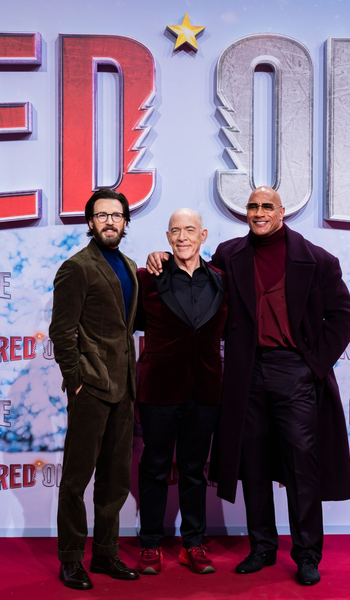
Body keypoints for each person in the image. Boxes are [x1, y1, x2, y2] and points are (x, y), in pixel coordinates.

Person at [147, 186, 350, 586]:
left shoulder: (318, 259)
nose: (259, 212)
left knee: (301, 466)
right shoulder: (230, 255)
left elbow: (343, 316)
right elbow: (195, 275)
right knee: (254, 463)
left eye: (267, 206)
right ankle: (262, 547)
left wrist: (312, 365)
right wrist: (162, 257)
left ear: (281, 212)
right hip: (247, 374)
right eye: (253, 206)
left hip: (295, 371)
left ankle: (307, 553)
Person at [49, 189, 141, 590]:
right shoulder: (77, 267)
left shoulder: (130, 266)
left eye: (116, 215)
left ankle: (105, 553)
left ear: (125, 222)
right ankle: (71, 559)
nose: (109, 222)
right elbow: (61, 331)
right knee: (76, 480)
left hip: (124, 388)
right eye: (101, 215)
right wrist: (77, 382)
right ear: (90, 222)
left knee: (115, 480)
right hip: (91, 388)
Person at [134, 209, 228, 576]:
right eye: (176, 231)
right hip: (158, 389)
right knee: (154, 468)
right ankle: (150, 544)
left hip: (205, 389)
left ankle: (193, 544)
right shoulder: (148, 278)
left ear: (203, 235)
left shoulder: (221, 280)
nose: (183, 237)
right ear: (167, 237)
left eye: (190, 230)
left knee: (193, 471)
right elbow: (128, 325)